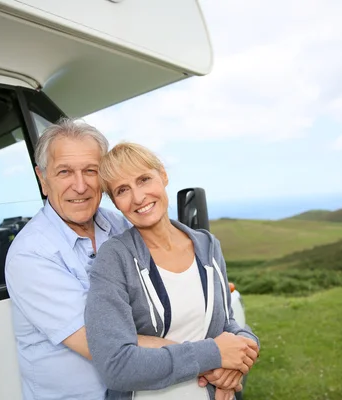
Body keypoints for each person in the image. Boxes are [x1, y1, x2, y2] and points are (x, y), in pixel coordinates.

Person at [84, 142, 260, 400]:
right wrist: (214, 355)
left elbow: (227, 324)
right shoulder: (114, 259)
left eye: (144, 179)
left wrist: (246, 349)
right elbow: (116, 365)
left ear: (163, 175)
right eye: (123, 190)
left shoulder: (207, 245)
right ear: (115, 202)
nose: (138, 197)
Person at [5, 119, 166, 400]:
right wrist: (208, 356)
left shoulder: (121, 225)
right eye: (64, 172)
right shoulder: (31, 254)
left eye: (90, 171)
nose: (80, 186)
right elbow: (106, 346)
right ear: (43, 179)